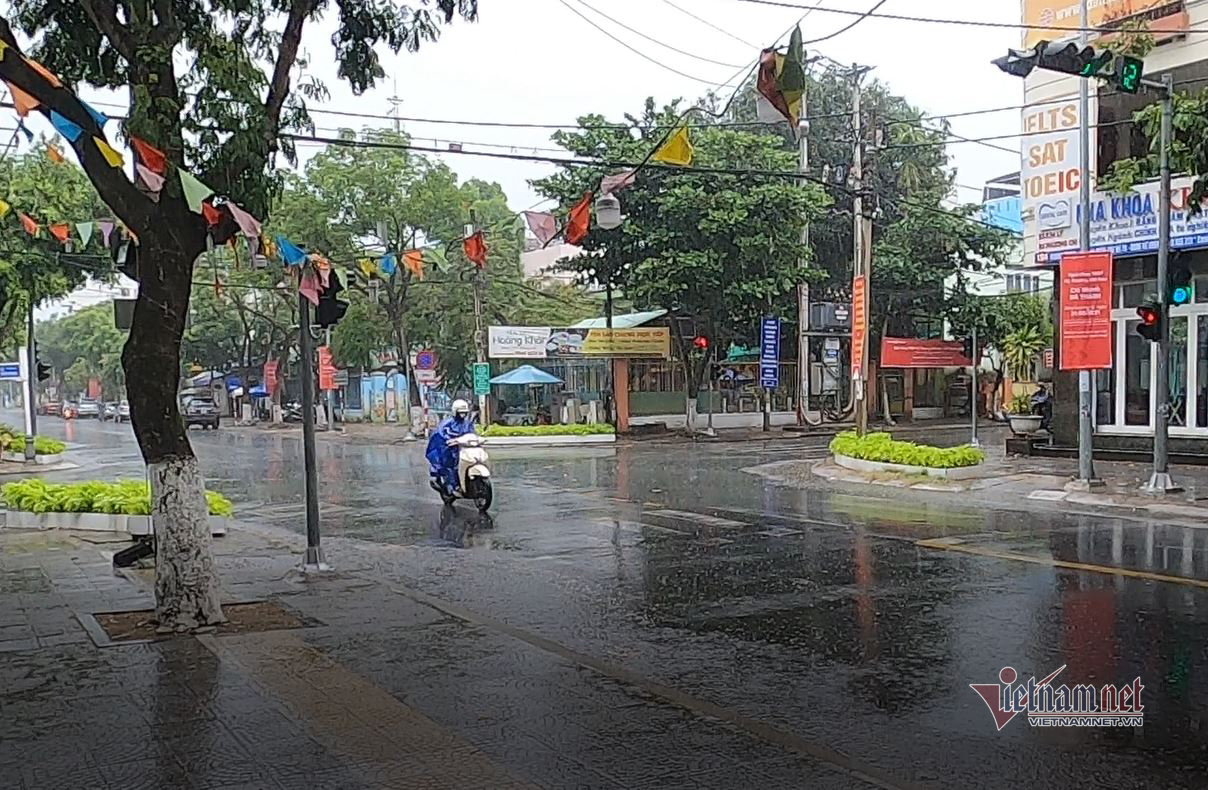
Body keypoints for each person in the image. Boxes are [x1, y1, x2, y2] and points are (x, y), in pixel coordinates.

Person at [425, 399, 475, 493]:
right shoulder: (447, 423)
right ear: (455, 411)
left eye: (464, 412)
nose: (462, 415)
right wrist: (448, 440)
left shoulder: (467, 423)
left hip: (463, 448)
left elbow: (472, 434)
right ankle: (453, 486)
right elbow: (441, 434)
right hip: (451, 449)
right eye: (460, 412)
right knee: (451, 465)